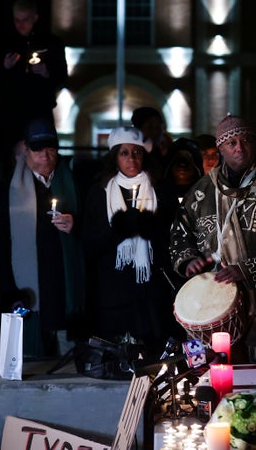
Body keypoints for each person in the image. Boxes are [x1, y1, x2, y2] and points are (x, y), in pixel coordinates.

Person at [168, 113, 256, 387]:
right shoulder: (202, 191)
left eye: (245, 141)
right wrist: (188, 261)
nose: (239, 148)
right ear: (220, 149)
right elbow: (178, 236)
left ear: (255, 145)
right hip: (210, 305)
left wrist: (245, 270)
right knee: (208, 383)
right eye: (231, 143)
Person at [0, 117, 86, 358]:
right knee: (33, 364)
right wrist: (9, 292)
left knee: (70, 367)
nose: (45, 155)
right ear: (26, 150)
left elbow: (94, 234)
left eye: (51, 148)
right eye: (38, 149)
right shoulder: (8, 191)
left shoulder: (73, 184)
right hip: (29, 296)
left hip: (65, 296)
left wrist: (76, 225)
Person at [82, 126, 186, 355]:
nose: (132, 158)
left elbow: (175, 238)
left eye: (137, 152)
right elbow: (90, 243)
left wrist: (152, 228)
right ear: (115, 157)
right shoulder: (99, 192)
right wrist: (119, 230)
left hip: (151, 287)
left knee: (152, 351)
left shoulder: (160, 190)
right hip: (114, 289)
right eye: (124, 153)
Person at [0, 0, 68, 177]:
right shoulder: (5, 43)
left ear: (35, 18)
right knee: (11, 161)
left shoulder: (51, 43)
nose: (21, 24)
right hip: (12, 112)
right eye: (17, 20)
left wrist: (46, 73)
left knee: (43, 156)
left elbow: (62, 77)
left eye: (25, 19)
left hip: (39, 109)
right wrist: (5, 68)